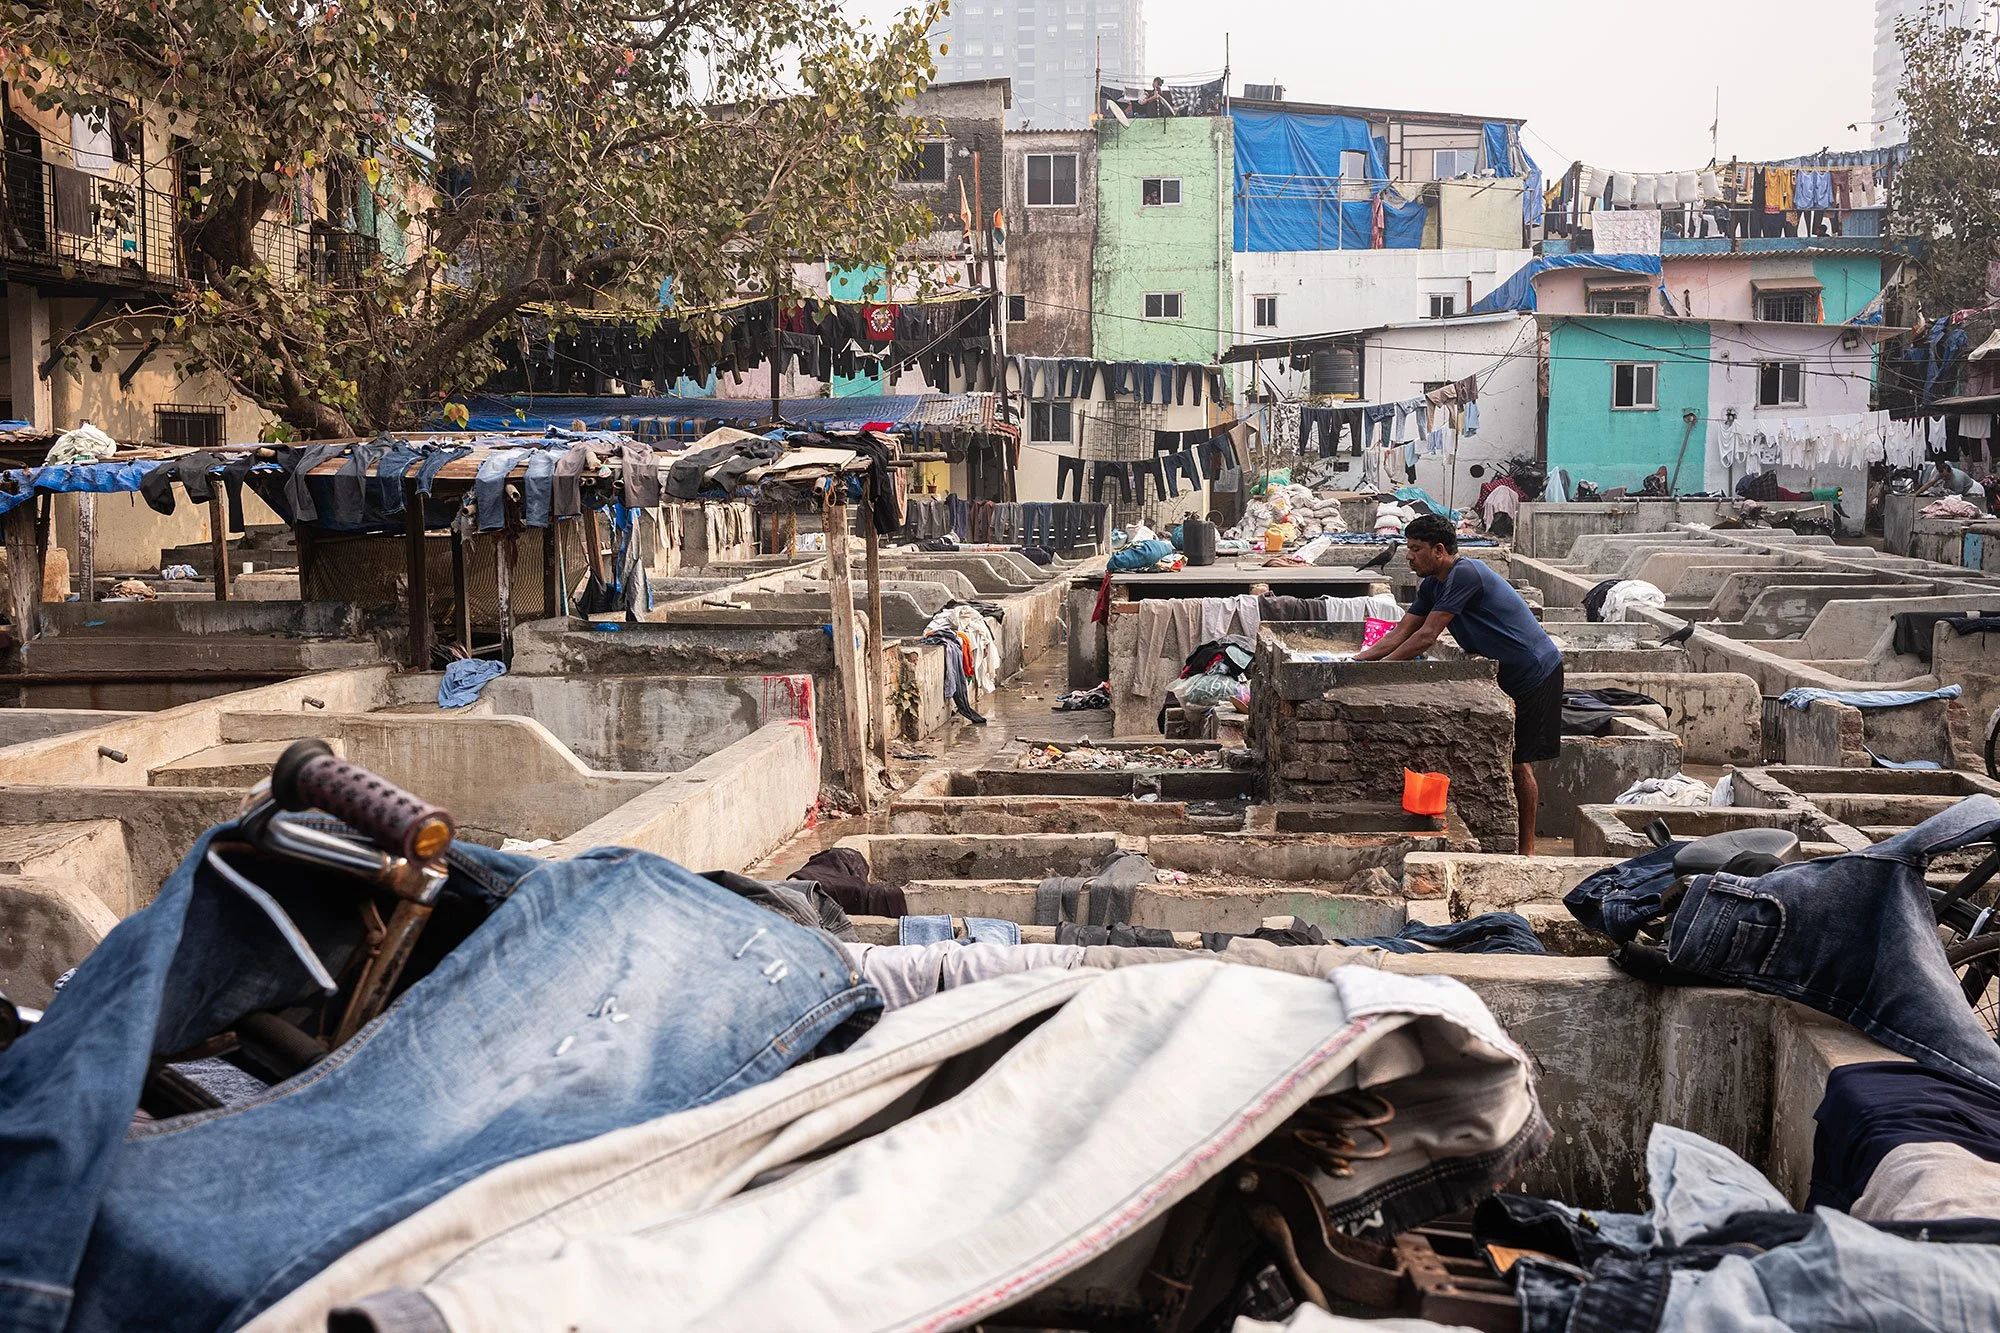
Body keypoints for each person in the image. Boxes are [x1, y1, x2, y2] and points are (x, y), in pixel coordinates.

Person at [1353, 514, 1564, 855]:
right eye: (1408, 548)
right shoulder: (1432, 585)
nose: (1409, 556)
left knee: (1518, 760)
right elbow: (1400, 632)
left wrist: (1378, 673)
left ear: (1439, 551)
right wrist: (1358, 663)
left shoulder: (1465, 574)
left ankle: (1527, 852)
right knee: (1510, 756)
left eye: (1416, 549)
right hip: (1506, 671)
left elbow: (1425, 637)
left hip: (1534, 670)